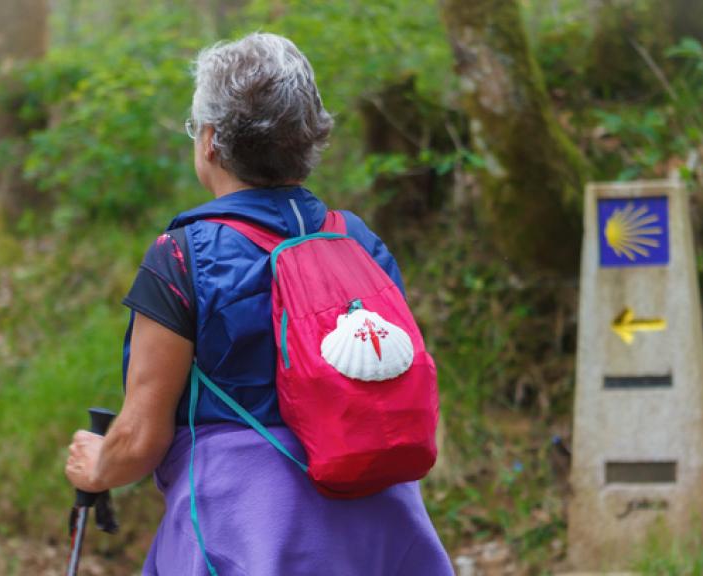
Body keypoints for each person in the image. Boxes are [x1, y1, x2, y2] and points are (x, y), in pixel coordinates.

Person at [64, 33, 454, 575]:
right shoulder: (360, 244)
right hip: (384, 529)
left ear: (212, 142)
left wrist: (95, 467)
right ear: (310, 137)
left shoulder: (181, 257)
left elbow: (141, 438)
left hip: (247, 530)